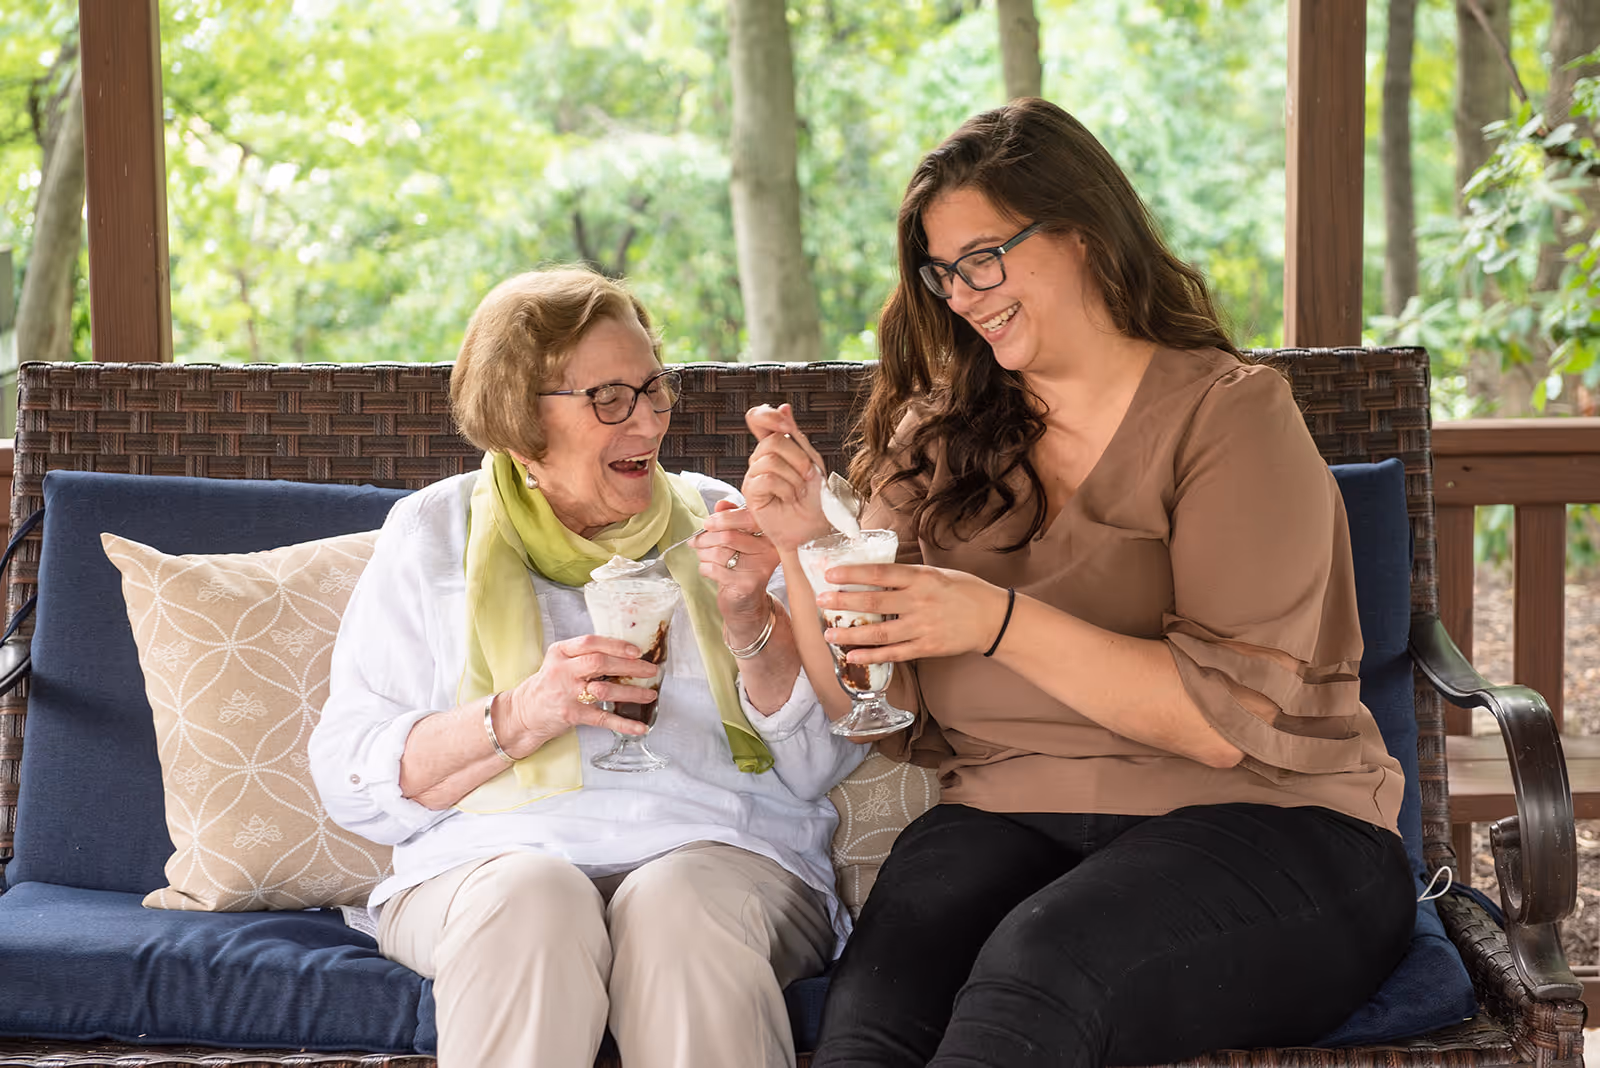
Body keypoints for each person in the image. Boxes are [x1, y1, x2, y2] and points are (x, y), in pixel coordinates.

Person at [739, 98, 1416, 1068]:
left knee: (1041, 968)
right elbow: (868, 711)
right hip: (1005, 817)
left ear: (1083, 234)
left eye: (985, 258)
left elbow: (1219, 722)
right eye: (942, 273)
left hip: (1277, 828)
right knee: (872, 1022)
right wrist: (807, 545)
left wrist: (992, 620)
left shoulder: (1230, 418)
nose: (963, 295)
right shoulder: (933, 439)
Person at [309, 266, 863, 1068]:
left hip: (723, 854)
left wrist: (751, 616)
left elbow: (819, 763)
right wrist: (523, 713)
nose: (648, 422)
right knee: (534, 901)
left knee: (678, 911)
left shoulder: (727, 524)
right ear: (518, 420)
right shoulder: (431, 532)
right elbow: (352, 779)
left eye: (652, 389)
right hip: (487, 868)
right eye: (610, 399)